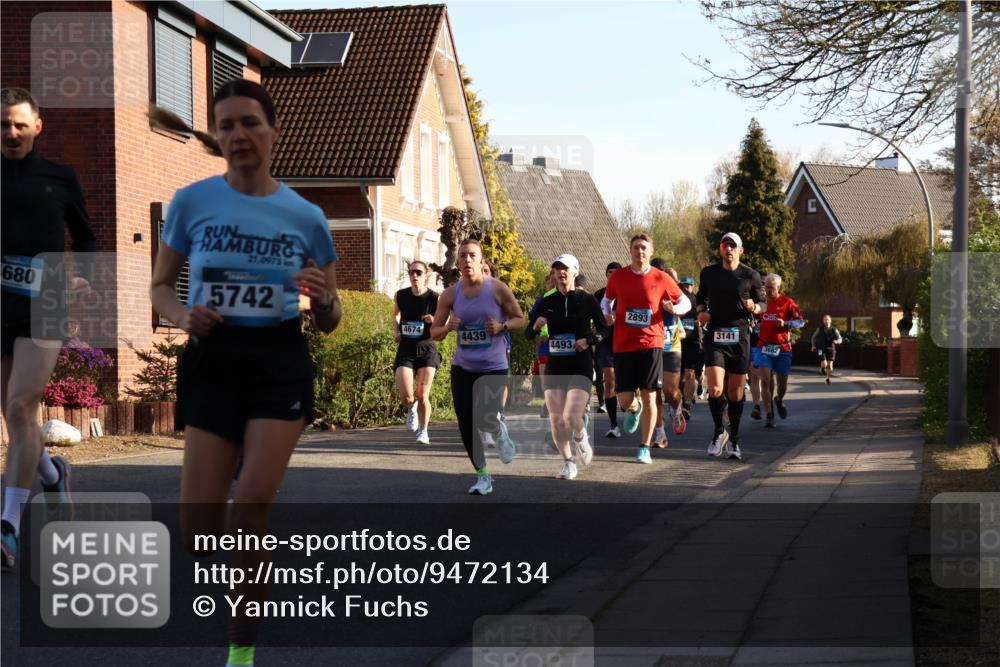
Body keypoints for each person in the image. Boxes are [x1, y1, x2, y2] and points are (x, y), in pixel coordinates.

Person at [149, 79, 342, 667]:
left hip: (279, 362)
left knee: (250, 507)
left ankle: (241, 650)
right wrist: (184, 315)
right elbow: (159, 287)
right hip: (214, 361)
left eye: (249, 123)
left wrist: (323, 298)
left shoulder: (305, 216)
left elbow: (331, 316)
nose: (238, 135)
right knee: (199, 535)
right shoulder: (191, 202)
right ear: (218, 135)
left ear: (273, 132)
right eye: (227, 125)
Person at [1, 87, 95, 571]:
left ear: (37, 126)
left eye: (19, 124)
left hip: (48, 298)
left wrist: (83, 277)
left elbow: (86, 237)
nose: (11, 133)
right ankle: (51, 472)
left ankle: (9, 525)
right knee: (16, 419)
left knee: (21, 404)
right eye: (2, 125)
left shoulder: (60, 177)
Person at [430, 239, 524, 495]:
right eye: (463, 256)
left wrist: (502, 327)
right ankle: (483, 475)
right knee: (466, 423)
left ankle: (498, 428)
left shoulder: (497, 289)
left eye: (472, 255)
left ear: (481, 261)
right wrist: (448, 327)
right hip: (463, 367)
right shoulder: (450, 294)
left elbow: (519, 318)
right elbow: (434, 332)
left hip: (493, 366)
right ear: (458, 263)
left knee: (486, 416)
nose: (467, 260)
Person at [601, 234, 690, 464]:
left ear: (650, 252)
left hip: (652, 342)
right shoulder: (619, 277)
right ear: (630, 251)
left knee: (651, 394)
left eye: (644, 248)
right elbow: (606, 300)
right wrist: (607, 314)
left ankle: (644, 447)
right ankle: (634, 407)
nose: (640, 251)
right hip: (623, 344)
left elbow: (686, 302)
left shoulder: (661, 278)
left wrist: (675, 309)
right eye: (636, 247)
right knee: (623, 400)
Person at [527, 254, 607, 479]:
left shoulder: (587, 299)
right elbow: (527, 333)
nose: (561, 272)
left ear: (575, 272)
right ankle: (568, 462)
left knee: (572, 416)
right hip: (556, 364)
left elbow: (604, 329)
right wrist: (535, 327)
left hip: (580, 363)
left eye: (565, 269)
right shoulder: (546, 300)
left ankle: (581, 437)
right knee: (556, 418)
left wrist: (588, 340)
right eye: (557, 269)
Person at [695, 232, 765, 461]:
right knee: (714, 388)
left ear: (740, 250)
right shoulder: (709, 273)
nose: (729, 249)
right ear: (720, 248)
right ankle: (718, 432)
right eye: (725, 245)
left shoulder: (750, 275)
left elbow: (763, 303)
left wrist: (755, 306)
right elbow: (700, 298)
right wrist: (701, 313)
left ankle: (734, 438)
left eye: (733, 246)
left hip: (740, 335)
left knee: (735, 392)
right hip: (715, 333)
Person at [393, 260, 439, 444]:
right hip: (406, 348)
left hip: (426, 347)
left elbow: (444, 322)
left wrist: (433, 319)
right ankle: (411, 409)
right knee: (407, 395)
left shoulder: (435, 298)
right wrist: (396, 330)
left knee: (423, 394)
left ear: (426, 274)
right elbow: (395, 315)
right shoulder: (401, 295)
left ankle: (424, 431)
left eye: (418, 272)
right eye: (411, 272)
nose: (414, 276)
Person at [755, 273, 805, 427]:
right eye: (766, 287)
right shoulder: (761, 304)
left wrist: (785, 324)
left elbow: (801, 322)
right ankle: (769, 414)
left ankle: (779, 399)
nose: (768, 291)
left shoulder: (787, 302)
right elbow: (752, 319)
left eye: (771, 288)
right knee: (765, 380)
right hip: (763, 347)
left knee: (781, 385)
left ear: (778, 287)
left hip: (783, 348)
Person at [649, 260, 687, 448]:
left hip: (671, 347)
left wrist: (674, 310)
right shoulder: (646, 291)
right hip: (651, 347)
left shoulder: (673, 295)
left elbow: (683, 310)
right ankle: (660, 433)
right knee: (653, 392)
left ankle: (677, 408)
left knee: (670, 392)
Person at [594, 262, 623, 436]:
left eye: (616, 272)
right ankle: (614, 425)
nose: (612, 275)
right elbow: (593, 318)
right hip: (606, 343)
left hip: (625, 342)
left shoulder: (627, 293)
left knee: (626, 384)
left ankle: (634, 405)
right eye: (609, 272)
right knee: (609, 380)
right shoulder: (598, 295)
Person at [678, 275, 703, 421]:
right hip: (678, 341)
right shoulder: (676, 300)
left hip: (693, 341)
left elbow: (704, 316)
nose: (686, 288)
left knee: (689, 373)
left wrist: (700, 321)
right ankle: (681, 400)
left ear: (693, 287)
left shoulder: (696, 301)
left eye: (689, 286)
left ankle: (687, 405)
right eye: (684, 286)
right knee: (680, 377)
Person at [811, 314, 843, 384]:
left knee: (830, 368)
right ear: (823, 321)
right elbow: (813, 337)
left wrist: (837, 341)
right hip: (821, 348)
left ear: (830, 321)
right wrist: (813, 346)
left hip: (831, 349)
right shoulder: (819, 329)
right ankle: (822, 368)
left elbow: (840, 339)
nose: (826, 321)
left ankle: (827, 378)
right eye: (825, 320)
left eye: (827, 319)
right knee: (825, 363)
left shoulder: (834, 329)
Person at [748, 317, 765, 420]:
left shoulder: (767, 311)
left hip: (767, 346)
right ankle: (756, 406)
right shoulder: (747, 313)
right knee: (755, 377)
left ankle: (769, 406)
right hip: (754, 347)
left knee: (766, 379)